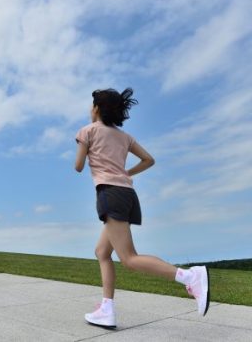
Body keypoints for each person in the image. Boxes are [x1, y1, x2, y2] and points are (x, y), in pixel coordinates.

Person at [75, 88, 209, 329]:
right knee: (102, 252)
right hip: (127, 195)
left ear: (96, 109)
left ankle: (190, 276)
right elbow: (149, 159)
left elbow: (78, 166)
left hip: (110, 194)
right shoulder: (124, 137)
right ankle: (107, 309)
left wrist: (85, 144)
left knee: (129, 258)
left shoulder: (88, 131)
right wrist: (126, 172)